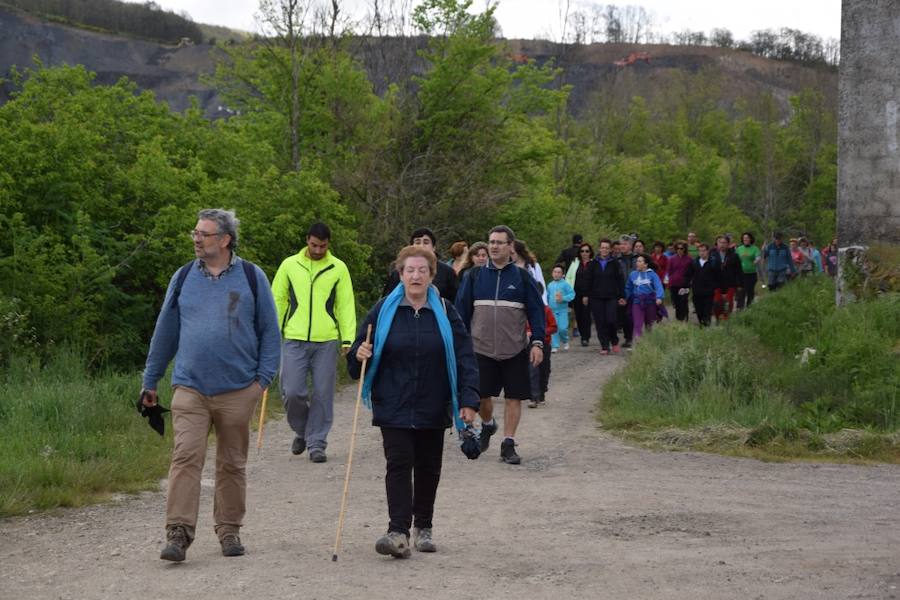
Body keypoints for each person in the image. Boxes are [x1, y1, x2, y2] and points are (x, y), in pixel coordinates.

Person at [142, 208, 281, 562]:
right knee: (186, 456)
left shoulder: (252, 277)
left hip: (238, 389)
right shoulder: (183, 276)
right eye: (195, 233)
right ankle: (178, 533)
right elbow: (165, 331)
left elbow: (270, 332)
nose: (196, 239)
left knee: (232, 463)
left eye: (203, 234)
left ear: (224, 239)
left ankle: (229, 530)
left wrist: (261, 382)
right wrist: (150, 379)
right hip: (190, 387)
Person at [348, 246, 479, 558]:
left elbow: (464, 356)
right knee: (398, 462)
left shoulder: (445, 311)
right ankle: (398, 532)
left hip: (434, 399)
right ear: (401, 274)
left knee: (428, 466)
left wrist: (469, 399)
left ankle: (424, 526)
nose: (416, 276)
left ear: (432, 275)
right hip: (392, 400)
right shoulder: (383, 310)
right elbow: (358, 353)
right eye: (410, 270)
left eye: (422, 270)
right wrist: (358, 354)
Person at [455, 225, 545, 465]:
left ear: (510, 246)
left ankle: (508, 443)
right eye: (491, 242)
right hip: (481, 349)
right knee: (482, 397)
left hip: (514, 348)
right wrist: (459, 344)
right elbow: (461, 312)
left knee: (514, 397)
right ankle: (488, 424)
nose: (494, 246)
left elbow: (537, 312)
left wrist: (537, 343)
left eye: (499, 242)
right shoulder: (473, 276)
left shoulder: (522, 277)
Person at [272, 222, 357, 464]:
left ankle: (317, 443)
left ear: (328, 244)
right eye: (314, 245)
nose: (318, 250)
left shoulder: (338, 267)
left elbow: (345, 304)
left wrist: (348, 338)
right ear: (307, 240)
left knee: (322, 392)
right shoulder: (289, 265)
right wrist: (272, 331)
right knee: (292, 391)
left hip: (326, 339)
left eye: (323, 246)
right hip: (294, 337)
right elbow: (277, 299)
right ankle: (303, 431)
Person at [383, 228, 459, 301]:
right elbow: (387, 299)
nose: (421, 246)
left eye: (426, 242)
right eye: (417, 242)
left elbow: (456, 301)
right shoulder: (399, 271)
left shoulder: (447, 272)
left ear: (434, 248)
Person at [583, 239, 626, 355]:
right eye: (603, 247)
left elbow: (620, 280)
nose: (604, 250)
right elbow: (588, 280)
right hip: (596, 297)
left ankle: (614, 340)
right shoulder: (593, 264)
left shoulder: (615, 263)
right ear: (599, 249)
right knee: (600, 322)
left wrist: (622, 296)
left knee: (611, 320)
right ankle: (604, 345)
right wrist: (586, 295)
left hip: (611, 296)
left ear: (610, 249)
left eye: (607, 248)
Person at [528, 282, 557, 408]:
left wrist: (541, 332)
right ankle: (533, 397)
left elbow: (554, 327)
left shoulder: (546, 310)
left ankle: (542, 393)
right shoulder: (525, 311)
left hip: (545, 343)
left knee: (544, 369)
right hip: (529, 343)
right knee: (532, 369)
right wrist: (527, 332)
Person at [625, 254, 665, 339]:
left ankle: (649, 343)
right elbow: (628, 288)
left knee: (650, 325)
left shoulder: (652, 274)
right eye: (637, 261)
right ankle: (638, 342)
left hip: (650, 302)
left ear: (645, 264)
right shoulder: (632, 274)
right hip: (637, 302)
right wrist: (624, 297)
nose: (637, 263)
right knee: (637, 324)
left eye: (640, 261)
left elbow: (658, 286)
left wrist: (659, 297)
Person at [712, 235, 742, 322]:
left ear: (728, 244)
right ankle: (718, 319)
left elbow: (739, 271)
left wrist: (739, 284)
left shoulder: (734, 256)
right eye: (720, 242)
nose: (722, 244)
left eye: (724, 243)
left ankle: (726, 320)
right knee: (717, 302)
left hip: (730, 283)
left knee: (728, 303)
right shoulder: (712, 255)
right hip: (716, 283)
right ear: (717, 244)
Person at [688, 243, 719, 327]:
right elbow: (689, 275)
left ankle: (706, 324)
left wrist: (715, 286)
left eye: (704, 251)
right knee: (699, 309)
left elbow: (718, 275)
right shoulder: (694, 262)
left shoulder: (713, 262)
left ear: (708, 251)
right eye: (700, 251)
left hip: (709, 290)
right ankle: (701, 324)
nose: (702, 253)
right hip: (697, 290)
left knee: (707, 309)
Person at [547, 264, 576, 352]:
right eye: (555, 272)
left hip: (562, 310)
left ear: (563, 274)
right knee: (554, 328)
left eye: (559, 272)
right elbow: (547, 297)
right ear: (552, 273)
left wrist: (563, 298)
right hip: (552, 310)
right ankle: (555, 346)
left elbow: (572, 294)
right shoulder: (550, 285)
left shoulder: (565, 284)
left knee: (562, 328)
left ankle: (565, 340)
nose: (556, 274)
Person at [572, 242, 595, 346]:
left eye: (587, 251)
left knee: (586, 315)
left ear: (590, 252)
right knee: (579, 315)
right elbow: (570, 277)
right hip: (576, 293)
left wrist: (588, 294)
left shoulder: (593, 264)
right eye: (582, 251)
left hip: (589, 293)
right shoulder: (575, 264)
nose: (584, 253)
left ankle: (585, 337)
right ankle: (582, 334)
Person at [513, 239, 547, 305]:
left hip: (534, 300)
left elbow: (541, 284)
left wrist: (544, 303)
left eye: (512, 252)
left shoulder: (533, 265)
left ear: (519, 252)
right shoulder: (510, 267)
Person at [665, 241, 693, 322]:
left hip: (685, 284)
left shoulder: (689, 259)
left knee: (683, 300)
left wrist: (690, 281)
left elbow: (692, 272)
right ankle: (679, 319)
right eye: (677, 248)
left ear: (685, 249)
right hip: (674, 284)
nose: (679, 250)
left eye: (681, 248)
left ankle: (685, 317)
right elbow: (669, 271)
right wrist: (669, 282)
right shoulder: (672, 259)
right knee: (676, 302)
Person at [616, 235, 635, 348]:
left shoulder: (637, 259)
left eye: (625, 244)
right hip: (621, 291)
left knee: (632, 315)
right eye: (621, 244)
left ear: (631, 246)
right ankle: (628, 337)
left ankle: (631, 337)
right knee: (623, 316)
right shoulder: (616, 260)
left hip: (635, 291)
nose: (622, 246)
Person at [735, 232, 761, 309]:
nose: (745, 239)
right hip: (741, 274)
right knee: (741, 291)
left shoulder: (755, 248)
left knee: (750, 291)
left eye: (747, 238)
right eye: (744, 238)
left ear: (750, 239)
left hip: (751, 274)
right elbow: (735, 259)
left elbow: (758, 257)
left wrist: (756, 260)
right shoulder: (739, 249)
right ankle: (740, 308)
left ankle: (749, 306)